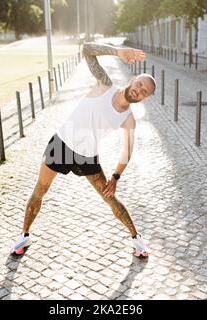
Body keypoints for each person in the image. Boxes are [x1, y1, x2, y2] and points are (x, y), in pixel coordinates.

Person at [11, 41, 156, 258]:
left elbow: (127, 152)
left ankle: (137, 241)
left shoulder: (128, 119)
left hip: (87, 156)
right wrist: (118, 52)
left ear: (145, 97)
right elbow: (87, 49)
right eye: (140, 84)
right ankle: (24, 236)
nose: (139, 90)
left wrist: (115, 177)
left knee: (109, 197)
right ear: (133, 79)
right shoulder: (105, 84)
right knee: (40, 189)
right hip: (60, 145)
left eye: (144, 91)